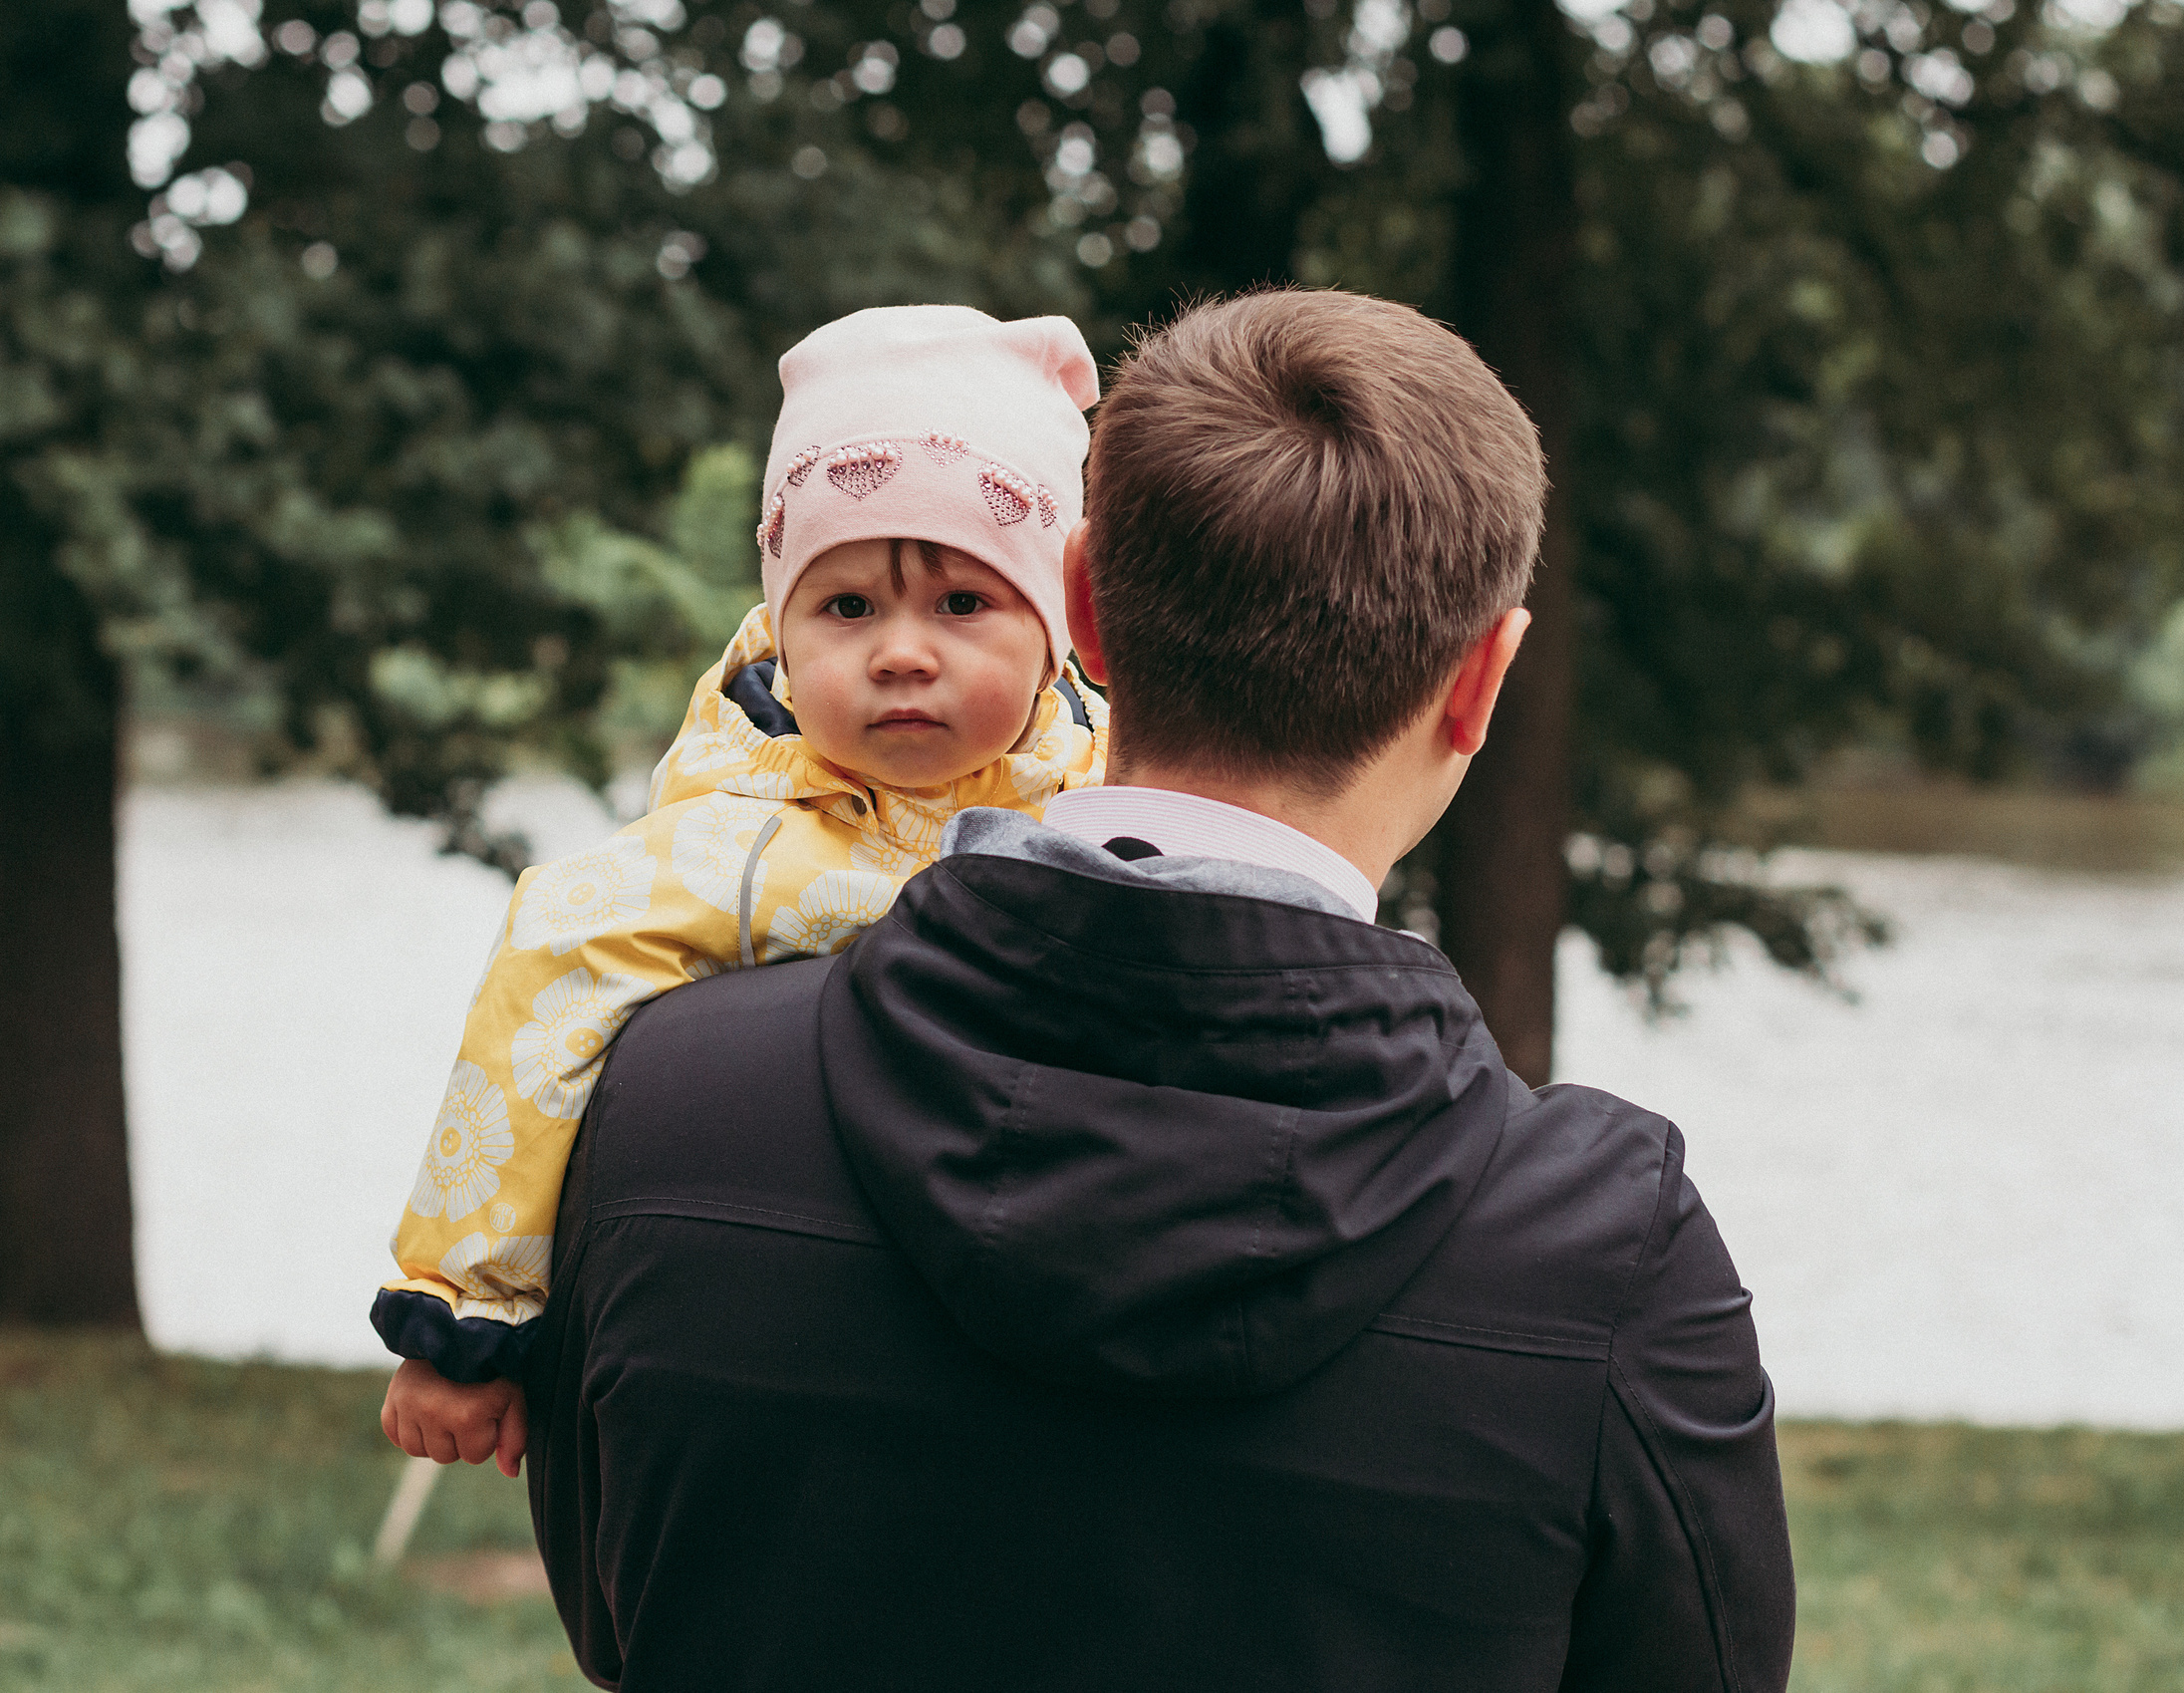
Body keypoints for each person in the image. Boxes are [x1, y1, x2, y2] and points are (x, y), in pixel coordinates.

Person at [395, 286, 1800, 1690]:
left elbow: (620, 1604)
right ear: (1483, 678)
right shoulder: (1607, 1253)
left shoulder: (665, 1106)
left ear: (1081, 608)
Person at [372, 306, 1111, 1463]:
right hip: (790, 1331)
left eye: (963, 603)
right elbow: (541, 996)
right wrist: (461, 1322)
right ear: (778, 623)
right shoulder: (727, 843)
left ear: (1061, 626)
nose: (902, 651)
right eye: (847, 606)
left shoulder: (1116, 795)